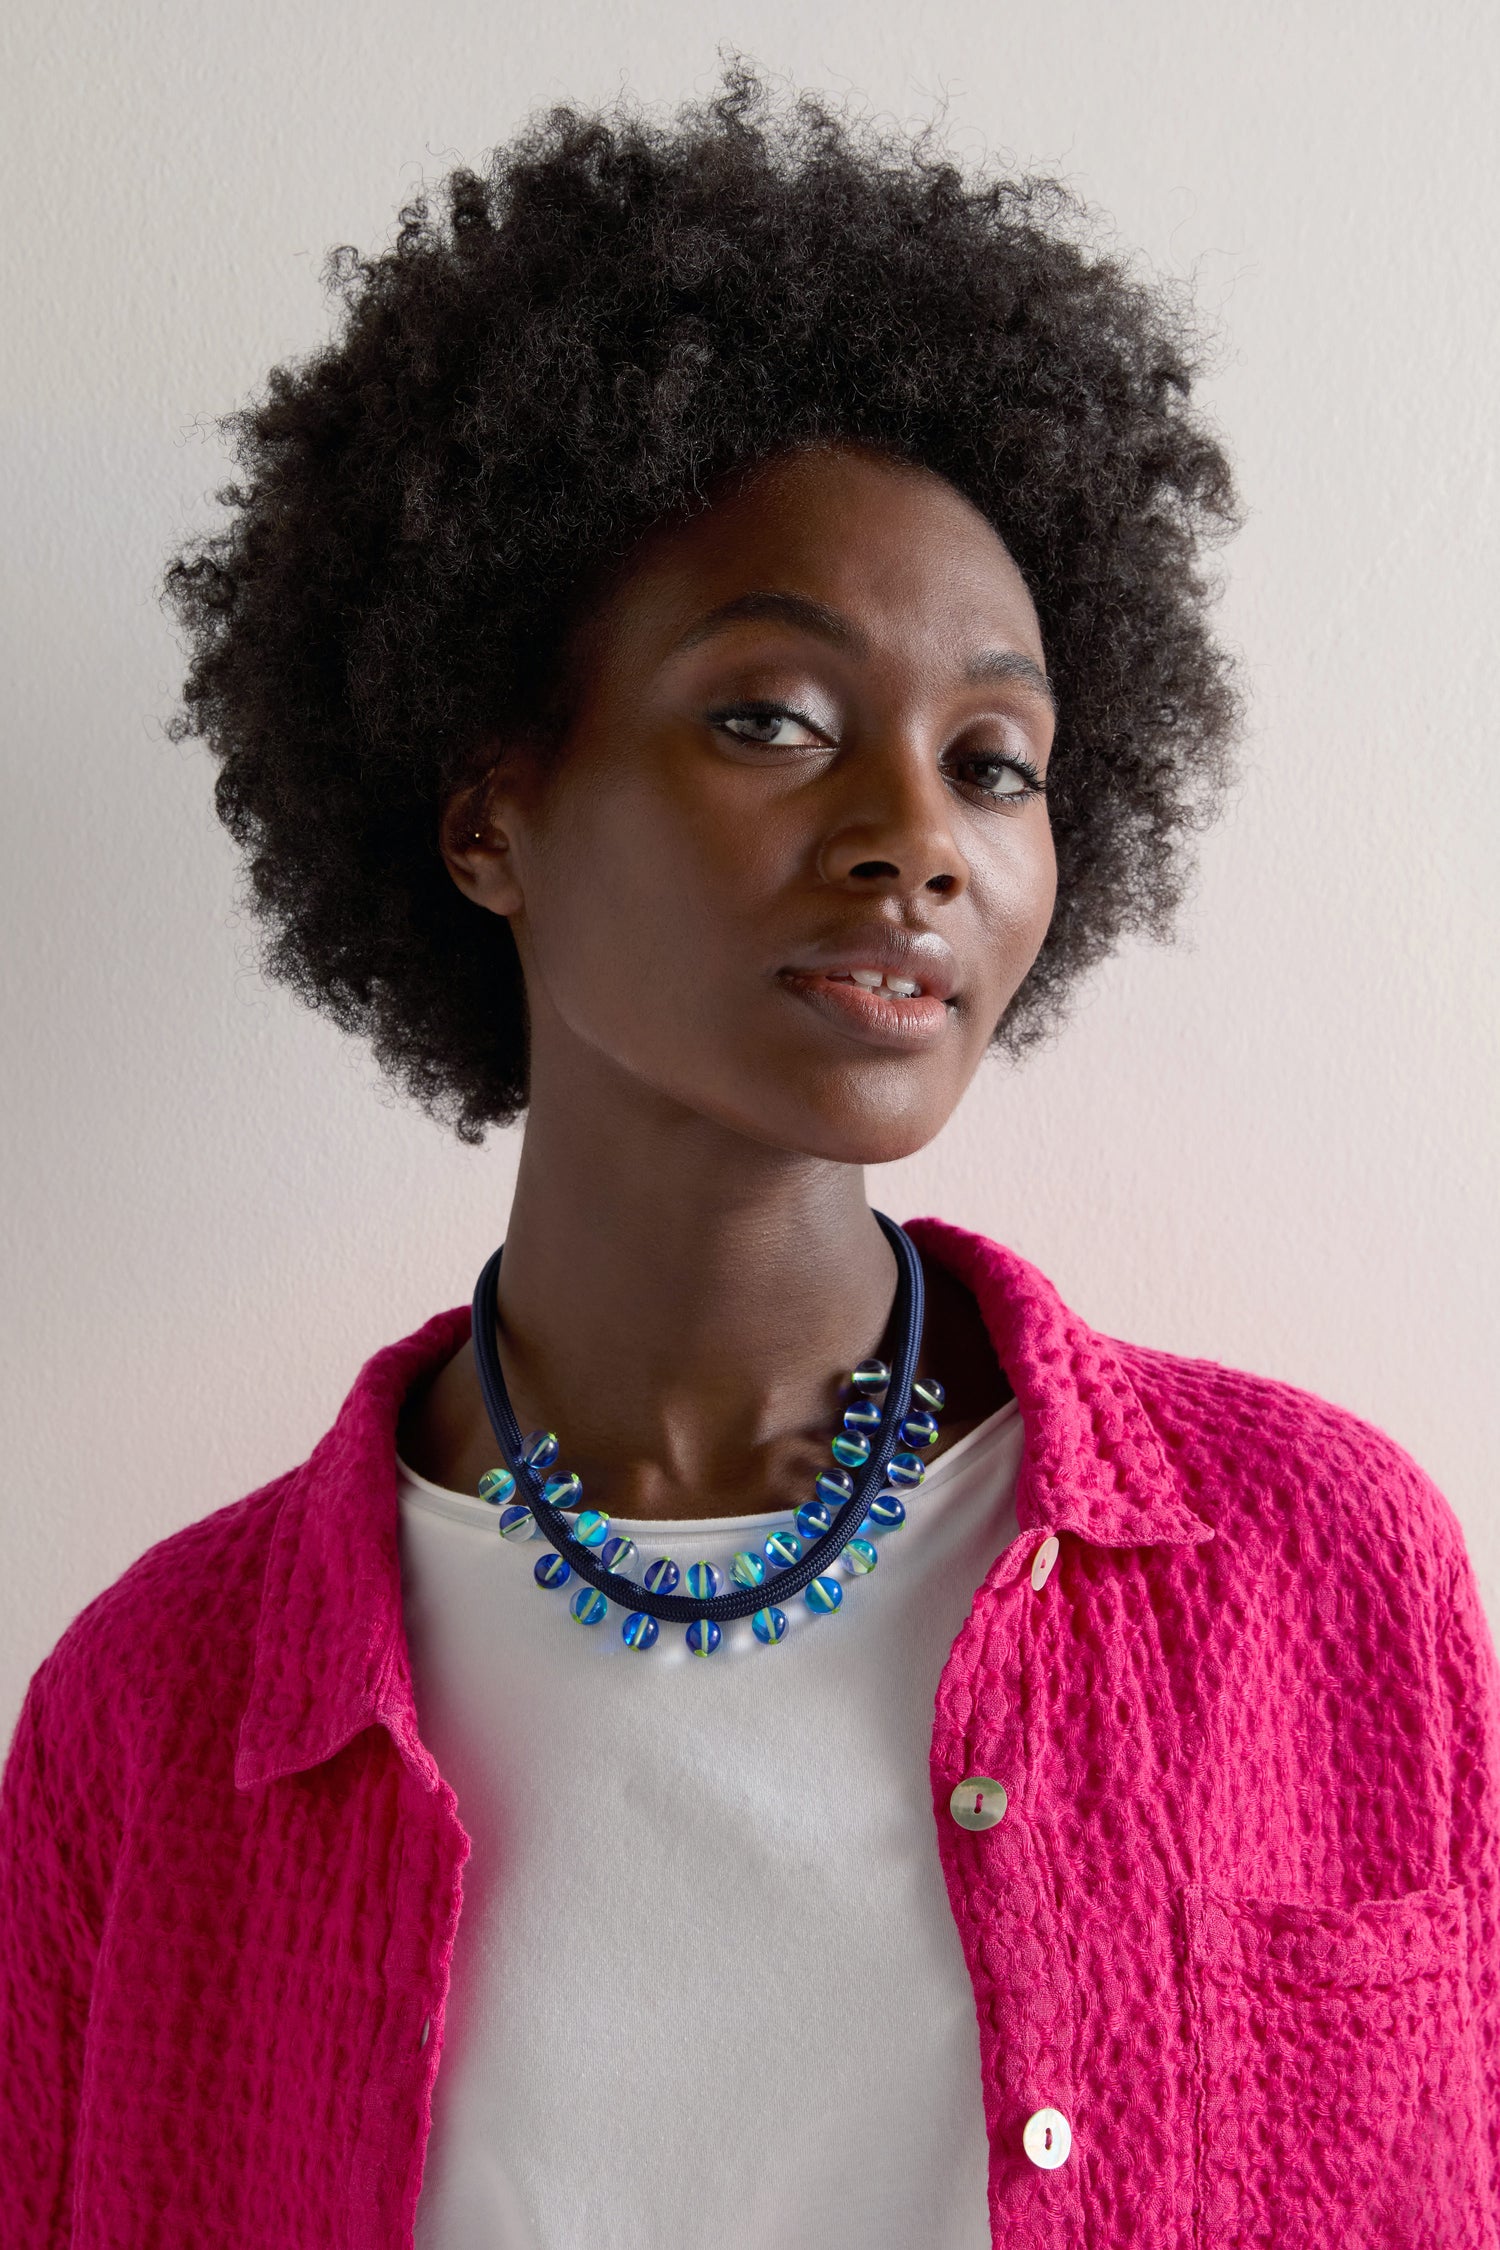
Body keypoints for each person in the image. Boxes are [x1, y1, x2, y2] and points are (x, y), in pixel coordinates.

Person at [3, 65, 1496, 2250]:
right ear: (490, 805)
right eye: (774, 719)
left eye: (995, 759)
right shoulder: (157, 1720)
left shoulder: (1325, 1576)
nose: (920, 843)